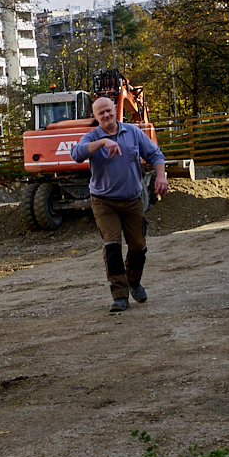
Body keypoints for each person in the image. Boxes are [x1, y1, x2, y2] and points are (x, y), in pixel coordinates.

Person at [70, 95, 168, 313]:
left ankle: (133, 281)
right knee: (112, 246)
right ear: (95, 117)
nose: (106, 115)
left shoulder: (132, 132)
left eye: (109, 111)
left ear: (115, 110)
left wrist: (161, 176)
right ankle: (120, 295)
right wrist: (103, 142)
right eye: (101, 113)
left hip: (133, 201)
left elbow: (155, 154)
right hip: (104, 202)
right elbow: (76, 154)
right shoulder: (91, 137)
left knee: (138, 247)